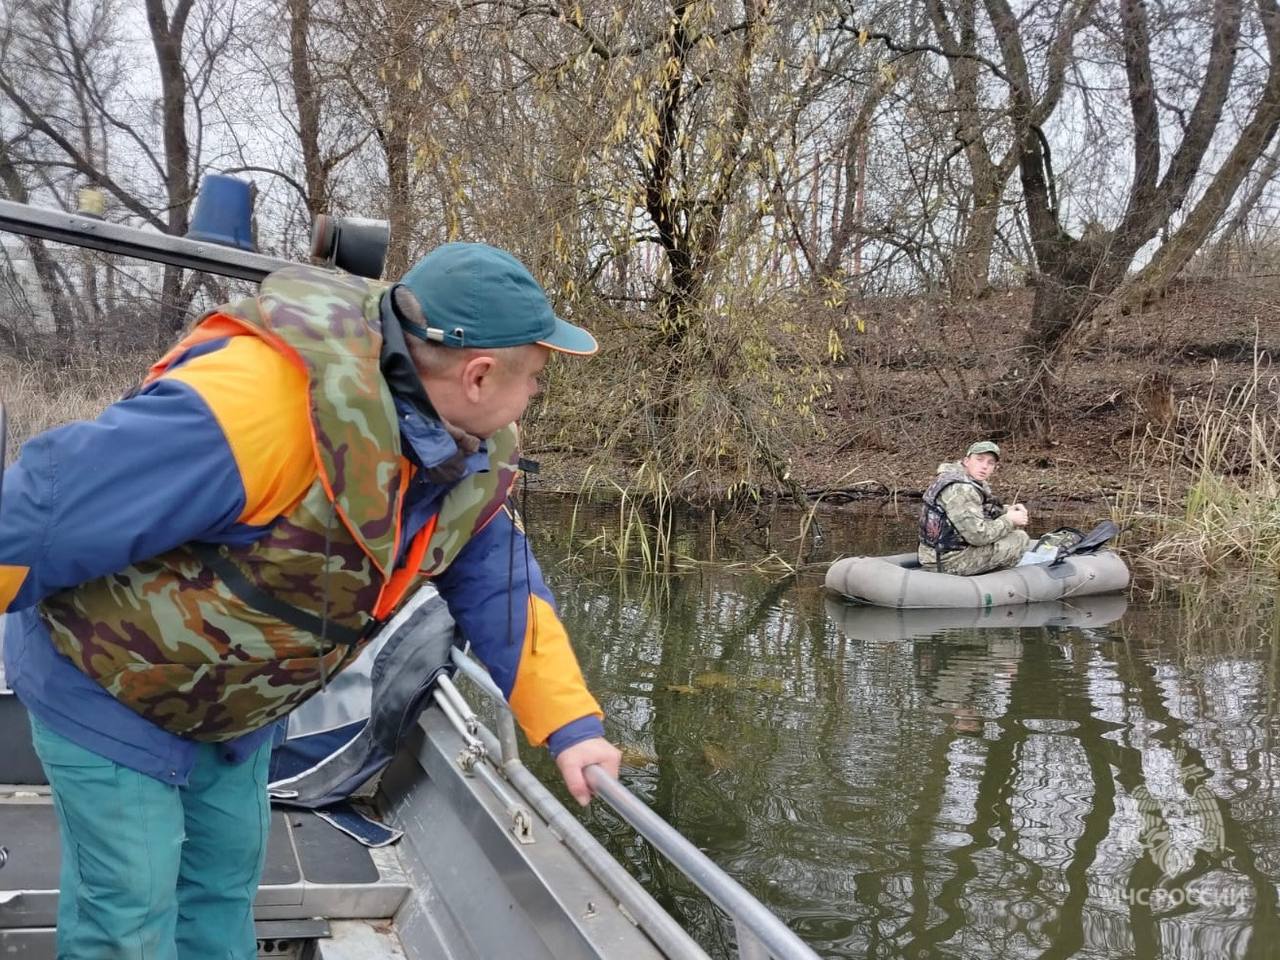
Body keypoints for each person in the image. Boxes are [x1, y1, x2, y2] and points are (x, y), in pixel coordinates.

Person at [0, 242, 622, 958]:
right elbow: (40, 512)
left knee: (223, 887)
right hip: (107, 684)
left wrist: (570, 725)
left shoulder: (467, 447)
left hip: (231, 711)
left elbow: (501, 585)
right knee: (129, 914)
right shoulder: (255, 404)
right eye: (538, 377)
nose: (538, 393)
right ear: (479, 375)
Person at [917, 440, 1031, 575]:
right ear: (966, 461)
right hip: (947, 561)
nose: (984, 466)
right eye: (979, 460)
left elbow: (979, 510)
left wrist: (1007, 511)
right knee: (1020, 538)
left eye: (990, 463)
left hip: (936, 553)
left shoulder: (958, 478)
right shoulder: (961, 490)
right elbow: (978, 536)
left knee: (1008, 531)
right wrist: (1010, 521)